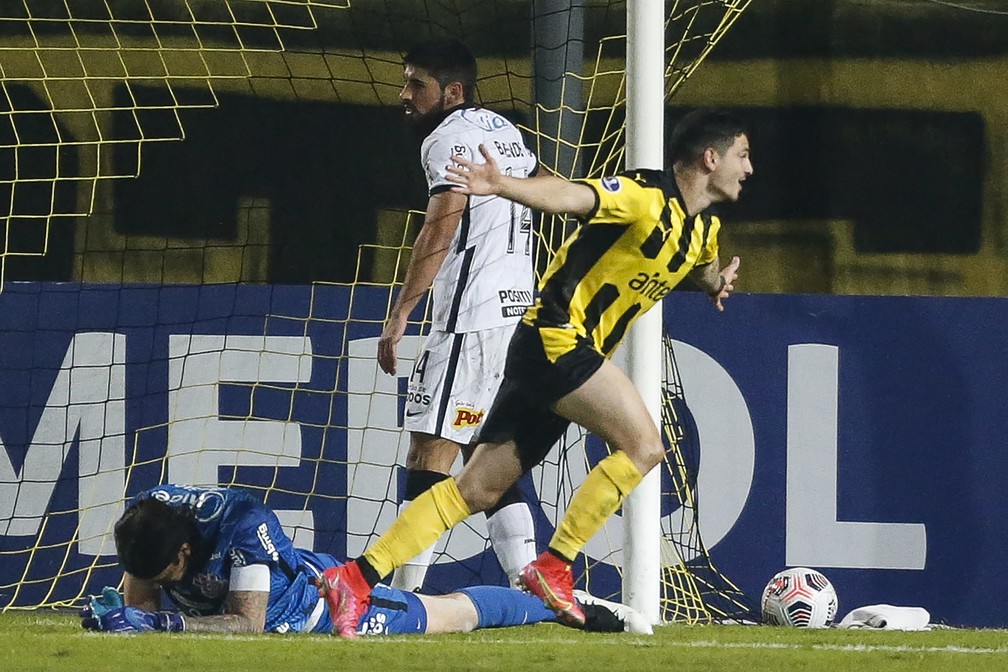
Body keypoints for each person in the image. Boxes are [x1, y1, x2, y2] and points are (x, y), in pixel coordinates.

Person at [320, 109, 753, 638]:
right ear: (711, 158)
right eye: (743, 155)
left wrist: (714, 284)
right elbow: (573, 196)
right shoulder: (644, 196)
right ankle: (554, 566)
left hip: (547, 353)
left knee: (473, 490)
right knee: (644, 446)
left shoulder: (703, 230)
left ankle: (355, 578)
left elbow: (699, 264)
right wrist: (503, 184)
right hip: (554, 338)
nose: (748, 169)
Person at [377, 38, 542, 590]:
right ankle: (530, 584)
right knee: (484, 454)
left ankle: (403, 596)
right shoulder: (503, 129)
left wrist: (401, 311)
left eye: (415, 85)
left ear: (453, 91)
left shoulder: (447, 138)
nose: (404, 96)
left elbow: (441, 224)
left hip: (469, 318)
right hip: (515, 314)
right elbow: (546, 188)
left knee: (430, 449)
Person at [79, 484, 651, 636]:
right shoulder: (148, 517)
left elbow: (248, 624)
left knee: (449, 614)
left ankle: (552, 606)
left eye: (166, 574)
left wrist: (163, 620)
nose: (151, 586)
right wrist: (133, 617)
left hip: (312, 608)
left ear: (187, 550)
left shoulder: (241, 527)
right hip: (287, 575)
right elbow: (143, 593)